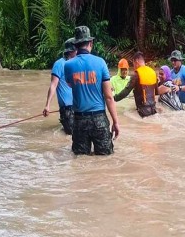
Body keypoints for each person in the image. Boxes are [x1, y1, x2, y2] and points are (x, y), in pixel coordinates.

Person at [64, 26, 120, 155]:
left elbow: (70, 85)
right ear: (91, 43)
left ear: (76, 45)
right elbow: (109, 97)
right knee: (105, 158)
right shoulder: (100, 63)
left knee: (80, 159)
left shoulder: (68, 65)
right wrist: (115, 122)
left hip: (79, 120)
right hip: (99, 119)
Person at [42, 38, 77, 135]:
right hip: (67, 109)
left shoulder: (77, 64)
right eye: (76, 49)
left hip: (78, 107)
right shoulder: (59, 64)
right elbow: (53, 85)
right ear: (71, 51)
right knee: (71, 134)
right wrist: (47, 105)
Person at [114, 52, 158, 117]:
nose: (133, 67)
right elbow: (157, 92)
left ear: (136, 61)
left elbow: (126, 91)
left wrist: (114, 98)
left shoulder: (136, 75)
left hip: (142, 112)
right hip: (154, 110)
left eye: (133, 64)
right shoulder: (153, 73)